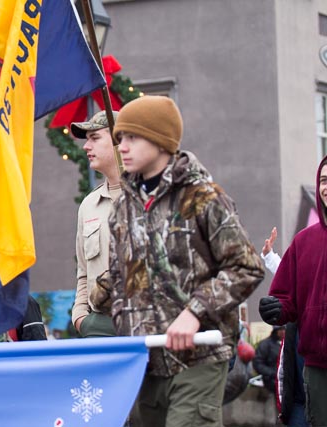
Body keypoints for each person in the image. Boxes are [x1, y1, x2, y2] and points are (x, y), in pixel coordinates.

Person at [105, 95, 264, 426]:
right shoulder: (123, 208)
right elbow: (120, 281)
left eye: (132, 137)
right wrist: (123, 329)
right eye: (120, 139)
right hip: (146, 362)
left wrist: (195, 312)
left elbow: (246, 266)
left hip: (200, 357)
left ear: (162, 141)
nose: (122, 147)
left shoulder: (204, 197)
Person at [259, 156, 327, 427]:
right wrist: (275, 307)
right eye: (323, 180)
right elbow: (287, 299)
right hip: (317, 369)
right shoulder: (304, 242)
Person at [70, 110, 121, 338]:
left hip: (143, 323)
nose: (86, 147)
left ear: (120, 140)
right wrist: (80, 318)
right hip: (99, 326)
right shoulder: (89, 205)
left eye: (95, 138)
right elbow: (83, 270)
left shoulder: (146, 197)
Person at [254, 325, 285, 393]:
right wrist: (273, 373)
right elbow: (258, 363)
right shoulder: (265, 345)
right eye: (280, 329)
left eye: (284, 329)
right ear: (275, 331)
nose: (283, 331)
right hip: (271, 383)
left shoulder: (289, 343)